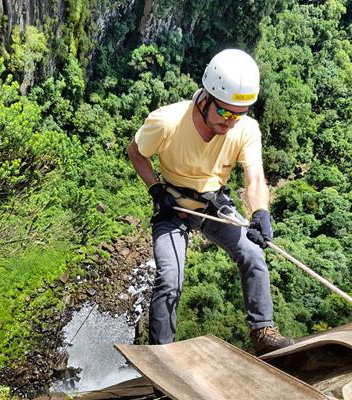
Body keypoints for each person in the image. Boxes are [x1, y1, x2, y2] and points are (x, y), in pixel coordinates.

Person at [127, 48, 294, 355]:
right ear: (204, 98)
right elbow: (135, 152)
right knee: (169, 279)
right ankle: (161, 358)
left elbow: (254, 177)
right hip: (172, 207)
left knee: (253, 255)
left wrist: (260, 212)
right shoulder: (167, 122)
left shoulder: (245, 129)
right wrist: (155, 190)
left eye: (238, 114)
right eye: (225, 112)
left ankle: (263, 332)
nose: (230, 122)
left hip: (212, 206)